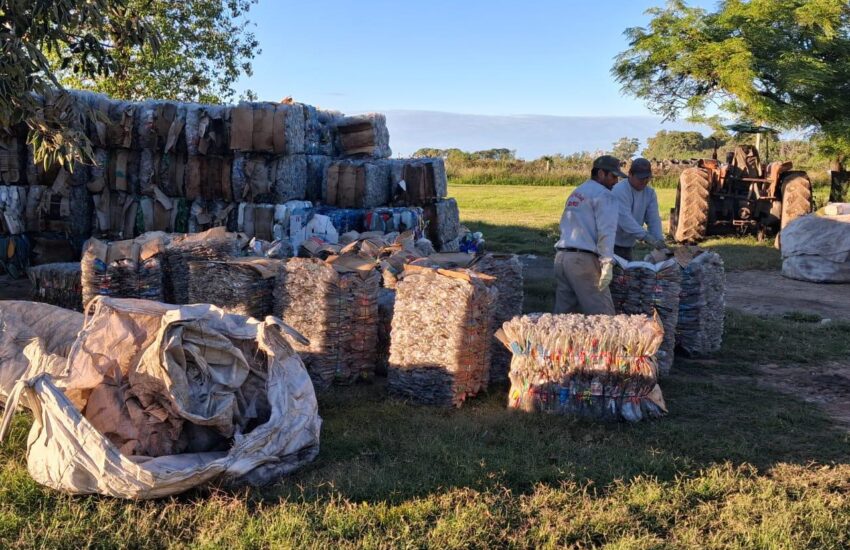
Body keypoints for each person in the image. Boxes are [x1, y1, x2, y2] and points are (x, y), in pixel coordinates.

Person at [553, 155, 624, 315]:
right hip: (582, 262)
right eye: (613, 176)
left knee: (563, 318)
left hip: (562, 258)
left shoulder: (578, 192)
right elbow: (607, 231)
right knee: (603, 316)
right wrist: (607, 262)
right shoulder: (605, 195)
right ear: (601, 173)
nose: (616, 182)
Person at [612, 158, 665, 260]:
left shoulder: (650, 193)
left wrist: (659, 240)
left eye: (647, 178)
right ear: (630, 174)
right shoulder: (619, 190)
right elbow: (625, 220)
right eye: (641, 178)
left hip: (628, 244)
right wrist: (647, 237)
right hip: (610, 243)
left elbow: (653, 219)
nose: (644, 181)